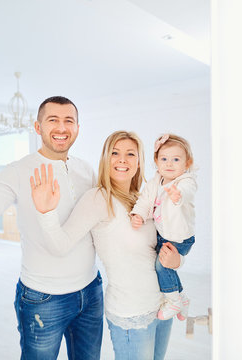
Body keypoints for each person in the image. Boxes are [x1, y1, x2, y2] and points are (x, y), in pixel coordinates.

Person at [0, 96, 104, 360]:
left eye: (68, 121)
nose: (61, 128)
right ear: (37, 127)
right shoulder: (18, 171)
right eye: (53, 120)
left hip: (91, 291)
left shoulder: (86, 169)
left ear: (77, 128)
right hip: (43, 299)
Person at [30, 130, 182, 359]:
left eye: (130, 154)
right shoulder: (97, 199)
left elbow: (158, 248)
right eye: (115, 153)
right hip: (131, 312)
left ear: (139, 161)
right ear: (105, 159)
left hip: (161, 305)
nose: (122, 159)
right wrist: (46, 212)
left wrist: (177, 259)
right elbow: (60, 245)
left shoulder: (143, 199)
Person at [130, 134, 197, 321]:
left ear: (187, 163)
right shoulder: (156, 182)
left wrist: (178, 195)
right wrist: (139, 215)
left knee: (162, 266)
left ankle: (173, 300)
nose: (169, 164)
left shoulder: (185, 181)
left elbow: (188, 191)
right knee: (165, 267)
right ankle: (182, 298)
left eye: (176, 159)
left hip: (179, 237)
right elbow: (145, 200)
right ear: (157, 161)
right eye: (164, 159)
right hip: (163, 236)